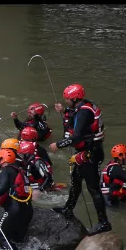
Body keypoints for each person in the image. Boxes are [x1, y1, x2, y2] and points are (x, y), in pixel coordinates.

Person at [49, 84, 109, 235]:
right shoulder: (85, 106)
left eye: (68, 99)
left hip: (91, 154)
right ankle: (68, 209)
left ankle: (104, 223)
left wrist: (58, 144)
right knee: (76, 181)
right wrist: (64, 111)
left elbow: (76, 137)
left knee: (93, 189)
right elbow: (75, 115)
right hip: (86, 153)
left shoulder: (83, 113)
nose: (66, 101)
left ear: (75, 98)